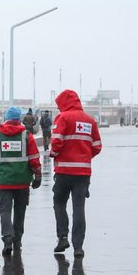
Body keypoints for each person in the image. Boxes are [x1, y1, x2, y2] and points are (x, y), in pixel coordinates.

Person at [50, 89, 102, 257]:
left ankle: (62, 237)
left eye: (59, 105)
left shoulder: (63, 118)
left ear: (65, 103)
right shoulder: (90, 120)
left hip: (64, 171)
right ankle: (78, 247)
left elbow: (56, 141)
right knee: (79, 208)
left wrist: (54, 154)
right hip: (83, 173)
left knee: (59, 202)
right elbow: (97, 146)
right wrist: (85, 157)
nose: (59, 109)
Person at [0, 106, 41, 256]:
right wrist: (38, 175)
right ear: (19, 119)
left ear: (6, 118)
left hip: (4, 181)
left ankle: (7, 238)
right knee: (20, 211)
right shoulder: (26, 136)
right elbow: (34, 157)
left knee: (4, 211)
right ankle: (18, 240)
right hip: (23, 181)